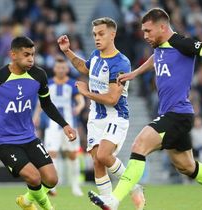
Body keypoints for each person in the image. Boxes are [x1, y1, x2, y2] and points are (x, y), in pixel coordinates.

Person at [88, 8, 202, 210]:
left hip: (178, 114)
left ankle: (114, 200)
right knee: (186, 166)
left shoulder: (182, 43)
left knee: (139, 145)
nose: (145, 36)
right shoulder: (160, 46)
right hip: (172, 114)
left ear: (162, 27)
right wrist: (134, 73)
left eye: (148, 31)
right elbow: (155, 58)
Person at [0, 36, 77, 210]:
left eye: (32, 54)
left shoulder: (39, 75)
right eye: (26, 54)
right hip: (4, 141)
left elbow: (46, 104)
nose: (31, 59)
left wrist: (65, 125)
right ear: (13, 55)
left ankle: (25, 202)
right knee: (34, 178)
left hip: (29, 138)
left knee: (52, 179)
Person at [57, 16, 145, 209]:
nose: (97, 38)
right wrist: (68, 51)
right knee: (97, 161)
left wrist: (86, 93)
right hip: (96, 116)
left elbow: (113, 98)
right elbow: (84, 67)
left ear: (112, 34)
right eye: (95, 34)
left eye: (101, 34)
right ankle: (108, 203)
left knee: (104, 155)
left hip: (116, 115)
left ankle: (134, 187)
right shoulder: (96, 55)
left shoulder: (121, 63)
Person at [38, 57, 85, 196]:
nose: (61, 69)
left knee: (72, 155)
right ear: (54, 68)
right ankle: (53, 186)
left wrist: (80, 107)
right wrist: (35, 116)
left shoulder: (71, 84)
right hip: (52, 125)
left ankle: (75, 186)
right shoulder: (48, 84)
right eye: (58, 67)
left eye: (63, 67)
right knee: (52, 153)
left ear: (67, 69)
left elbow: (80, 100)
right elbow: (41, 103)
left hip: (69, 124)